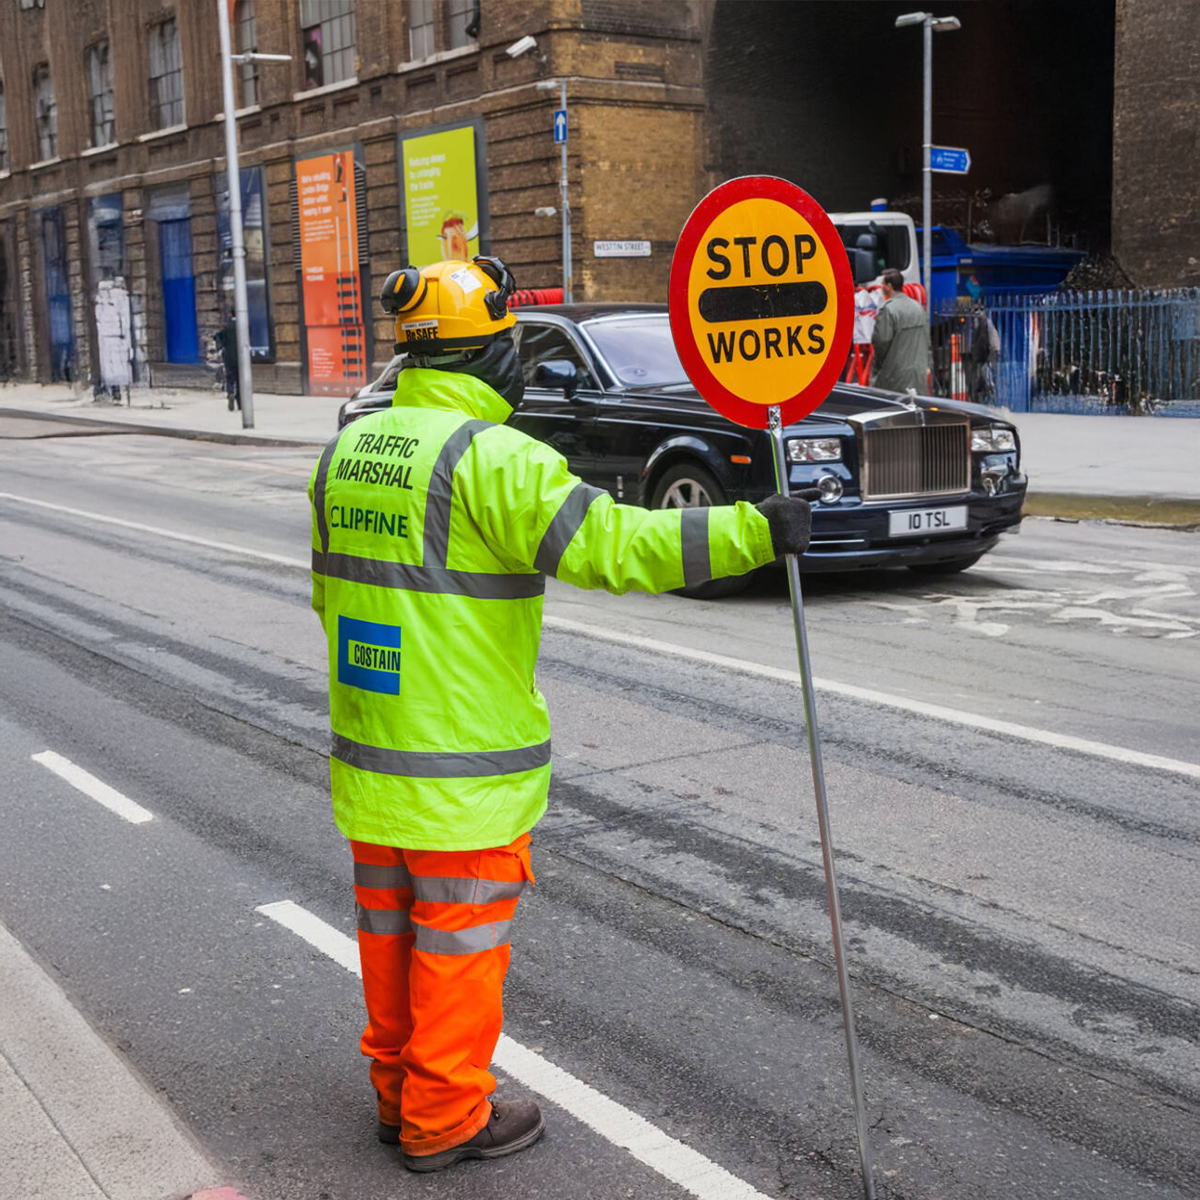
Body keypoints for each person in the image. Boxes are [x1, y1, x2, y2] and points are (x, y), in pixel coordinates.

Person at [307, 256, 818, 1173]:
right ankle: (445, 1118)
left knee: (390, 934)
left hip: (372, 757)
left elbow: (329, 597)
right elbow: (616, 546)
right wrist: (752, 530)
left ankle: (398, 1096)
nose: (516, 358)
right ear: (487, 355)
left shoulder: (347, 452)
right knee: (459, 945)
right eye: (507, 342)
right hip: (461, 767)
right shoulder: (492, 459)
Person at [870, 267, 930, 394]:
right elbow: (927, 340)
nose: (881, 287)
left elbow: (881, 342)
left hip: (895, 377)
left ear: (889, 286)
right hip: (918, 375)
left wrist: (876, 369)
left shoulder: (888, 310)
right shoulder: (917, 307)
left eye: (882, 284)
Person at [216, 314, 240, 411]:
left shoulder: (226, 328)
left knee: (230, 378)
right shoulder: (243, 327)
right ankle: (241, 403)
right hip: (241, 358)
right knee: (240, 381)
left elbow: (218, 337)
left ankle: (230, 393)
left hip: (229, 357)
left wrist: (220, 348)